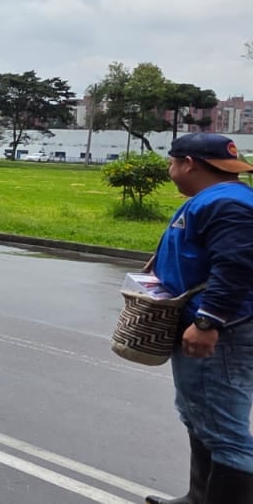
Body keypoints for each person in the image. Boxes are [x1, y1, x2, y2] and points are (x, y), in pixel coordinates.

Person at [144, 133, 253, 503]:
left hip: (224, 334)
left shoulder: (228, 204)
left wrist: (208, 321)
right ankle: (198, 497)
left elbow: (236, 268)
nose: (171, 172)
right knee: (200, 415)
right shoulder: (215, 199)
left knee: (224, 430)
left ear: (188, 163)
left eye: (172, 164)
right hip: (207, 326)